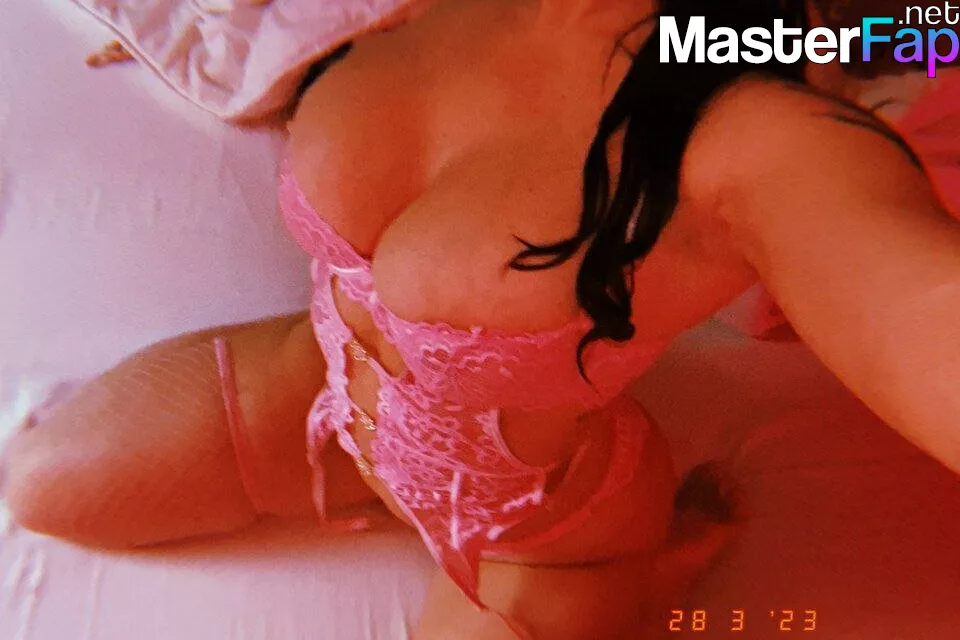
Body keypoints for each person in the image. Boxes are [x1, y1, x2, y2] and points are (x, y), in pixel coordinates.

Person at [5, 1, 960, 638]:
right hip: (316, 393)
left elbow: (920, 308)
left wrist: (885, 37)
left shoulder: (758, 139)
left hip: (535, 521)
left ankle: (642, 567)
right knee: (44, 487)